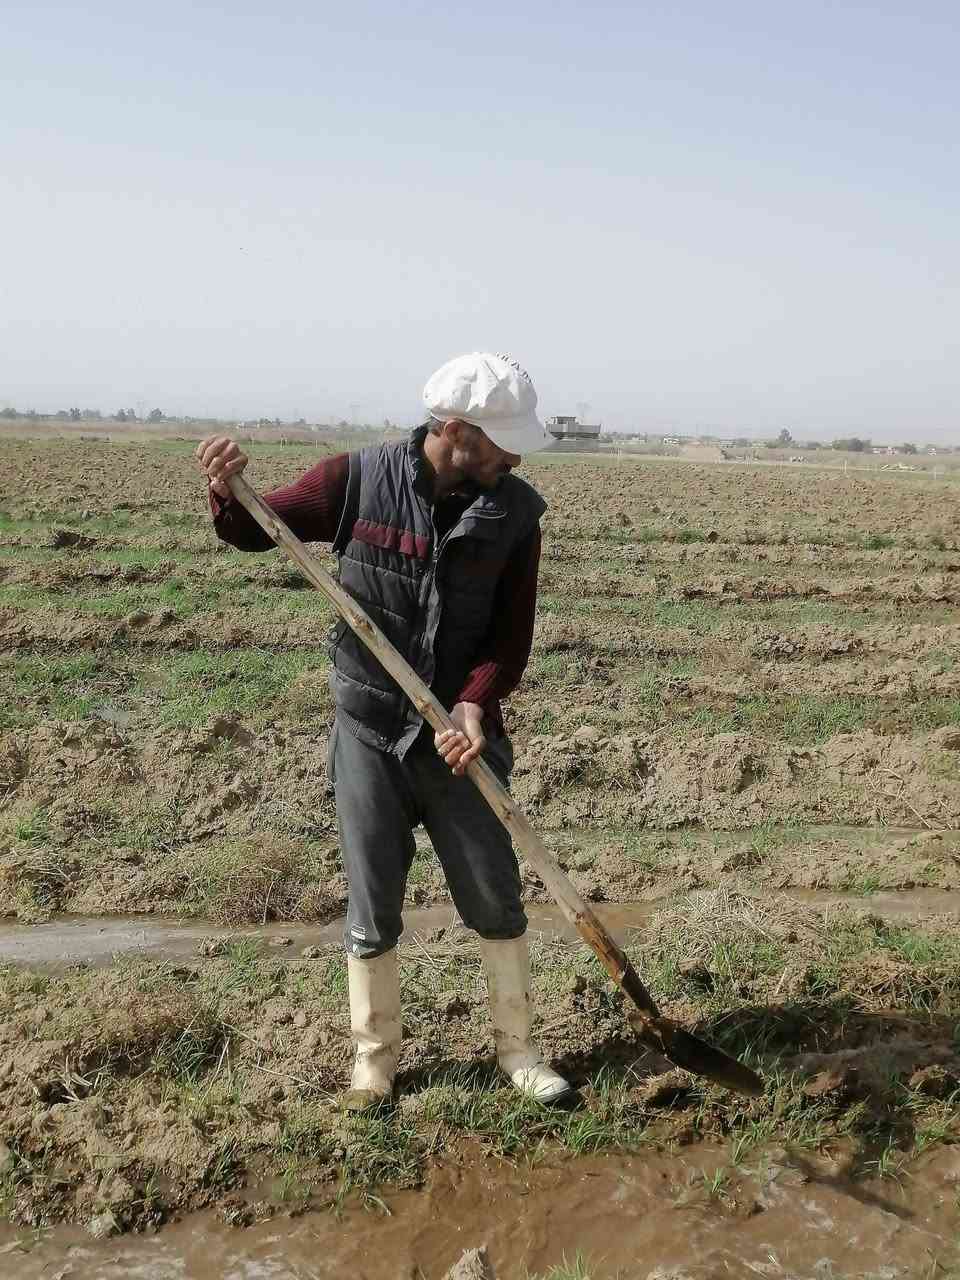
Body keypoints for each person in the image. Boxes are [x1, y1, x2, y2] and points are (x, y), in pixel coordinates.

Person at [196, 352, 572, 1109]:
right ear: (457, 431)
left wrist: (474, 703)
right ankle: (376, 1057)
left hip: (460, 743)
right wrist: (225, 490)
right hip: (370, 728)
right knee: (372, 901)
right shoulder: (356, 480)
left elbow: (510, 637)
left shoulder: (516, 513)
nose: (515, 457)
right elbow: (259, 527)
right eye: (502, 441)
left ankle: (518, 1051)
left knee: (494, 891)